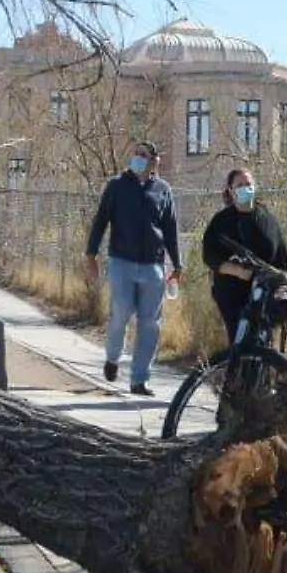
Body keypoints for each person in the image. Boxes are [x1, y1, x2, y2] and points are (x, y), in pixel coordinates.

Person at [85, 141, 183, 396]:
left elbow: (171, 230)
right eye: (135, 153)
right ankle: (113, 357)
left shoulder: (163, 190)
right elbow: (101, 220)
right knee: (121, 310)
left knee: (150, 324)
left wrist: (177, 264)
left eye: (144, 155)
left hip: (153, 266)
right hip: (122, 262)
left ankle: (139, 379)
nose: (138, 158)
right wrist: (91, 254)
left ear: (154, 162)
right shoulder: (117, 186)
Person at [200, 168, 287, 353]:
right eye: (239, 185)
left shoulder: (267, 219)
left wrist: (286, 283)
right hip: (232, 292)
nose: (244, 188)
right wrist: (237, 271)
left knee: (262, 345)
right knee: (240, 342)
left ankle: (260, 379)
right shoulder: (222, 220)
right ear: (231, 190)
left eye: (248, 184)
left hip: (264, 293)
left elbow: (282, 259)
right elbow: (209, 255)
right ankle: (236, 378)